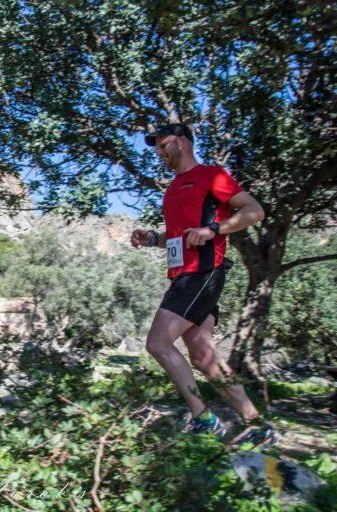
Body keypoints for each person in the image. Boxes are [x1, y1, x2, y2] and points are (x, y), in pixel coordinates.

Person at [131, 123, 279, 449]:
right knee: (202, 354)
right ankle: (258, 426)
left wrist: (214, 229)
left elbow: (255, 210)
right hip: (185, 274)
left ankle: (202, 417)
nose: (159, 152)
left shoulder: (211, 175)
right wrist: (152, 238)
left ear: (183, 142)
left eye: (163, 145)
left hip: (202, 273)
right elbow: (179, 237)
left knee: (157, 342)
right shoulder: (173, 188)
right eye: (156, 147)